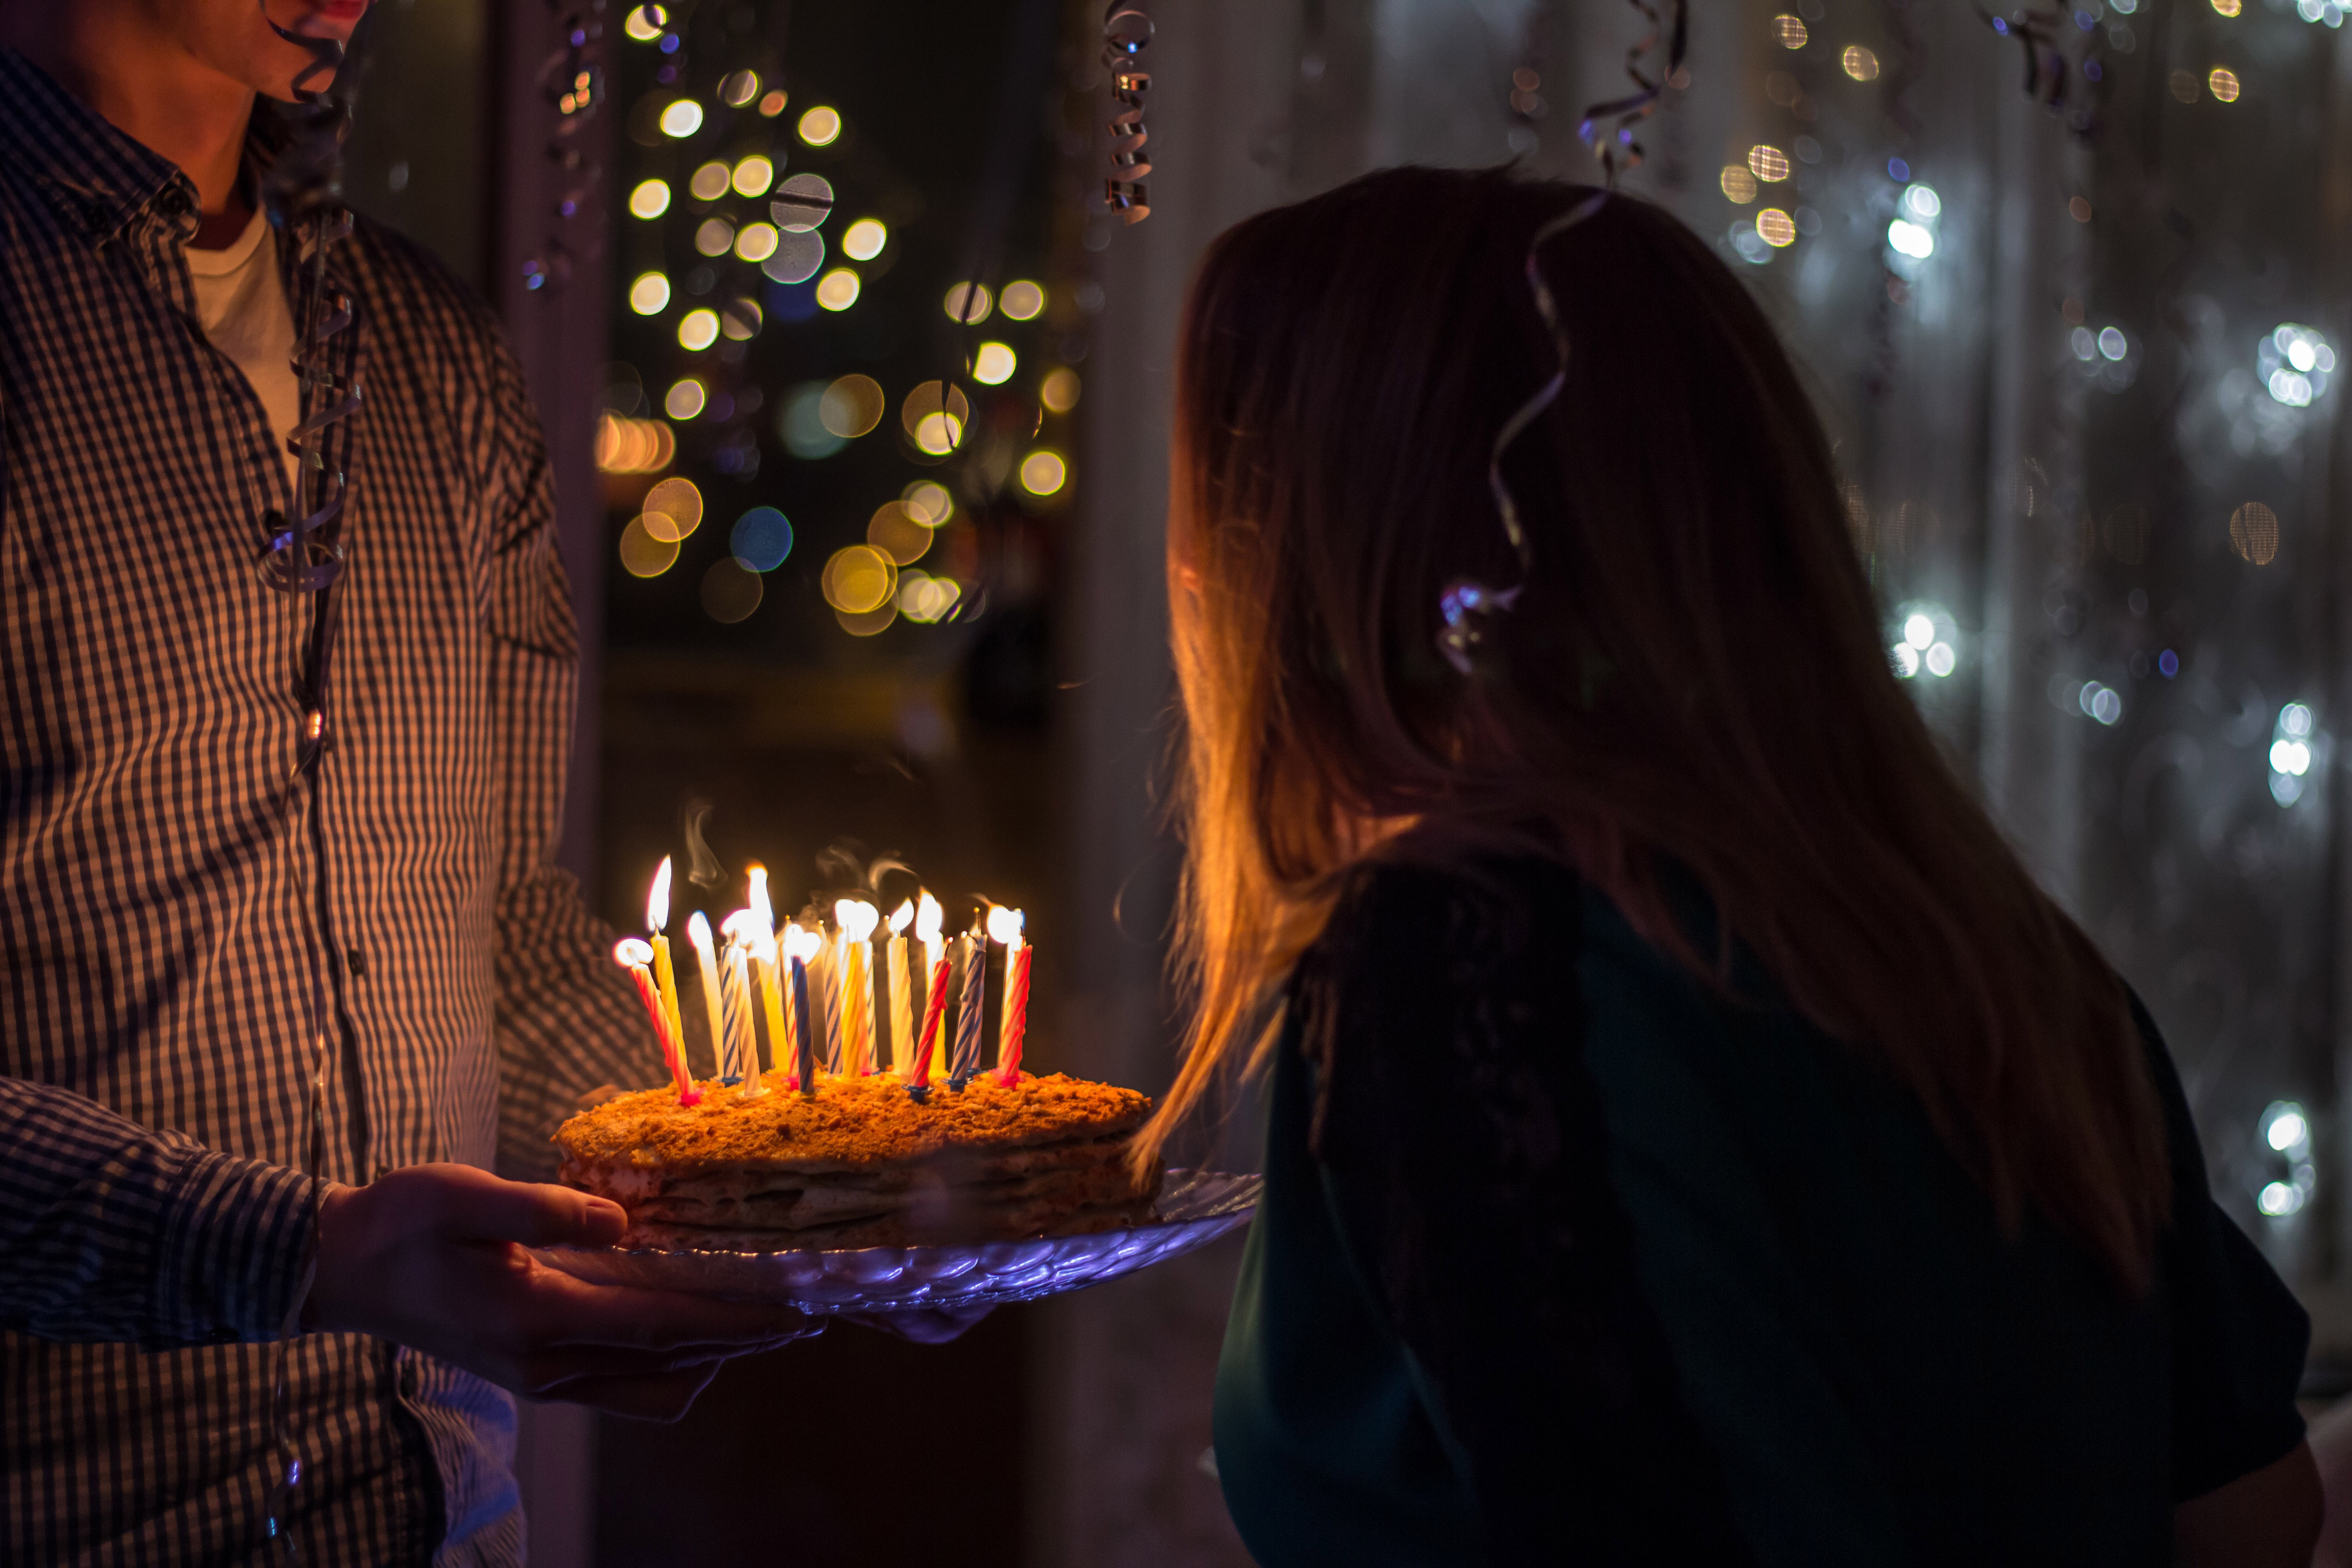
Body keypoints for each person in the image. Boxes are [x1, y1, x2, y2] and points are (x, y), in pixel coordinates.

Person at [1129, 165, 2320, 1565]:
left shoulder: (1473, 962)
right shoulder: (1978, 951)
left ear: (1333, 553)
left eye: (1218, 498)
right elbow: (2255, 1508)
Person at [0, 2, 821, 1561]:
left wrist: (773, 1195)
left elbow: (500, 930)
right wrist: (302, 1256)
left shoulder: (426, 351)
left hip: (440, 1513)